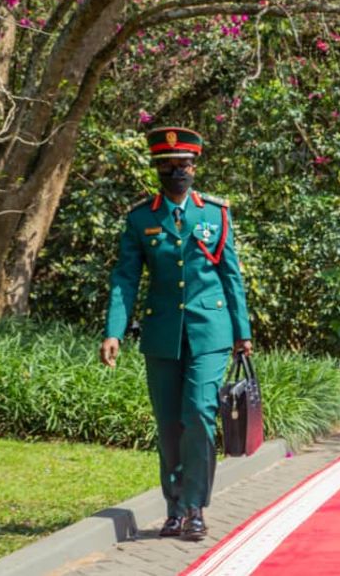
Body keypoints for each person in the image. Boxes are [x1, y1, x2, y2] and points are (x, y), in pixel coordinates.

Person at [100, 126, 252, 541]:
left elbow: (231, 275)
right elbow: (125, 277)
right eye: (167, 166)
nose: (176, 172)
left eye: (182, 165)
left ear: (194, 166)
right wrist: (114, 330)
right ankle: (173, 507)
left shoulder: (215, 214)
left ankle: (195, 507)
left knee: (200, 414)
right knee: (169, 425)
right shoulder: (141, 218)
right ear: (157, 169)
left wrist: (243, 332)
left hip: (210, 330)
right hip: (162, 332)